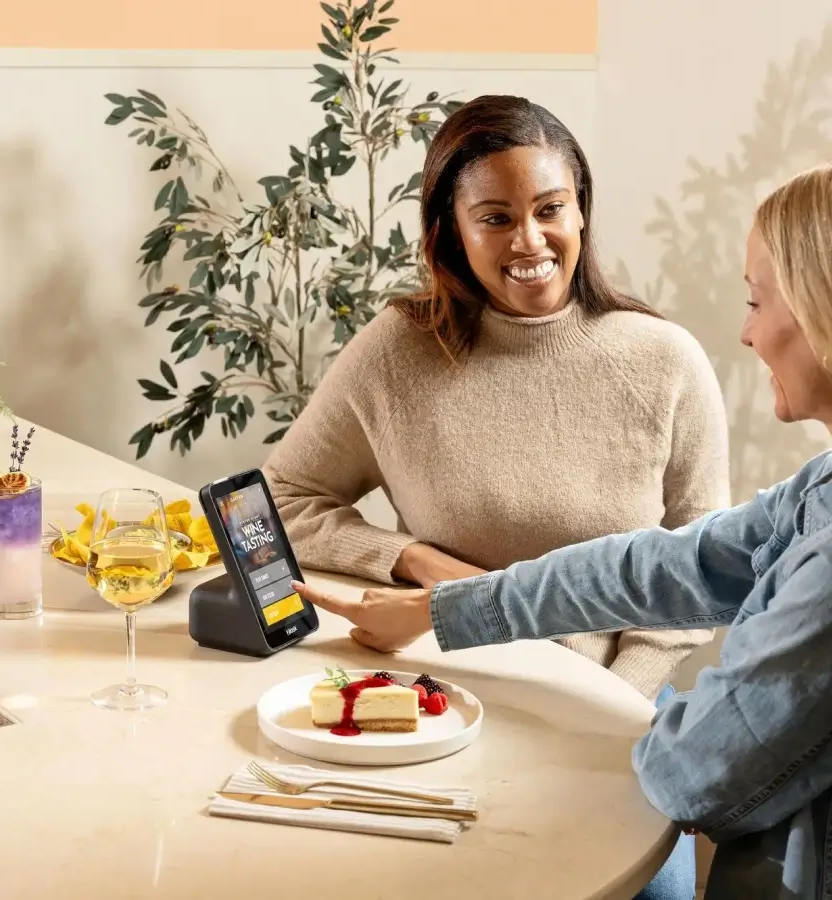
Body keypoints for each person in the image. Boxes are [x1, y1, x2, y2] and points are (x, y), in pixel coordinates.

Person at [291, 163, 832, 900]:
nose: (743, 331)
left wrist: (581, 715)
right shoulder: (823, 487)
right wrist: (438, 603)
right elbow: (667, 566)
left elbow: (693, 771)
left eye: (755, 300)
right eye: (494, 217)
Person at [264, 94, 729, 705]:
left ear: (581, 212)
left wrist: (610, 701)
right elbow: (274, 506)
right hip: (439, 693)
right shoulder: (401, 351)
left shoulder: (667, 362)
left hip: (611, 700)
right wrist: (418, 562)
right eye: (495, 218)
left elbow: (700, 572)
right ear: (452, 230)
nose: (530, 241)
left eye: (550, 209)